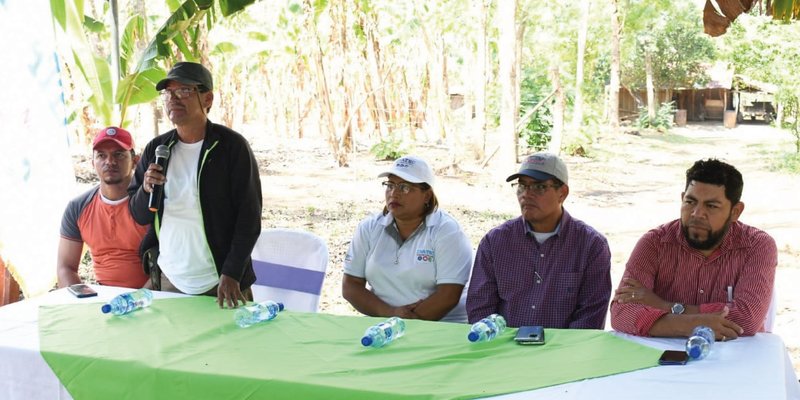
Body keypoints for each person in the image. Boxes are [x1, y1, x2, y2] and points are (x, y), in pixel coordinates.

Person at [129, 62, 262, 309]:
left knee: (231, 348)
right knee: (175, 348)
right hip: (171, 279)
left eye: (184, 91)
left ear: (207, 98)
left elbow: (249, 218)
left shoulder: (231, 148)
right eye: (168, 92)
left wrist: (232, 273)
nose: (173, 99)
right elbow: (138, 214)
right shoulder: (157, 149)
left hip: (222, 282)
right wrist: (145, 189)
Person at [610, 159, 777, 340]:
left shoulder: (757, 246)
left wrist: (664, 306)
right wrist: (693, 324)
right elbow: (621, 313)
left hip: (736, 358)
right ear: (682, 199)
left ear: (736, 211)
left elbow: (747, 319)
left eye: (711, 206)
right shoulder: (655, 243)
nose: (697, 214)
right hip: (661, 359)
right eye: (690, 202)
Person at [466, 152, 611, 328]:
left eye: (539, 187)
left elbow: (591, 316)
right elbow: (480, 307)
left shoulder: (591, 246)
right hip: (503, 348)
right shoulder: (495, 242)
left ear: (562, 193)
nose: (526, 194)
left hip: (563, 351)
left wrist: (557, 350)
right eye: (522, 186)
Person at [342, 155, 473, 322]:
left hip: (442, 327)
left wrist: (405, 322)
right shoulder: (369, 227)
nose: (394, 193)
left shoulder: (446, 231)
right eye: (390, 185)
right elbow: (350, 286)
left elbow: (448, 295)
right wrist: (391, 314)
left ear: (427, 195)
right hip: (384, 326)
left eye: (404, 187)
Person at [57, 127, 149, 289]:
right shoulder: (77, 208)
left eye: (119, 154)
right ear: (93, 163)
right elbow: (66, 268)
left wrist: (139, 300)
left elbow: (169, 266)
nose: (110, 162)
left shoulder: (151, 201)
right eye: (101, 155)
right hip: (103, 299)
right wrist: (84, 300)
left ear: (136, 160)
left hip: (154, 296)